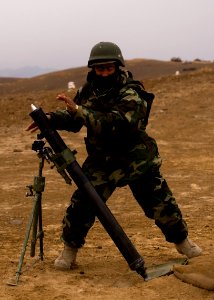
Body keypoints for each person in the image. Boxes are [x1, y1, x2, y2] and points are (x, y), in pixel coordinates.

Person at [26, 41, 202, 270]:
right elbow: (76, 118)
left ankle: (183, 242)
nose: (105, 72)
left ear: (117, 67)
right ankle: (70, 250)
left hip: (136, 159)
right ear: (93, 69)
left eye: (109, 68)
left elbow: (119, 122)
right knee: (82, 206)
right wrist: (51, 118)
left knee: (161, 204)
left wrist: (80, 111)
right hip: (102, 161)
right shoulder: (87, 91)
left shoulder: (131, 91)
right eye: (100, 69)